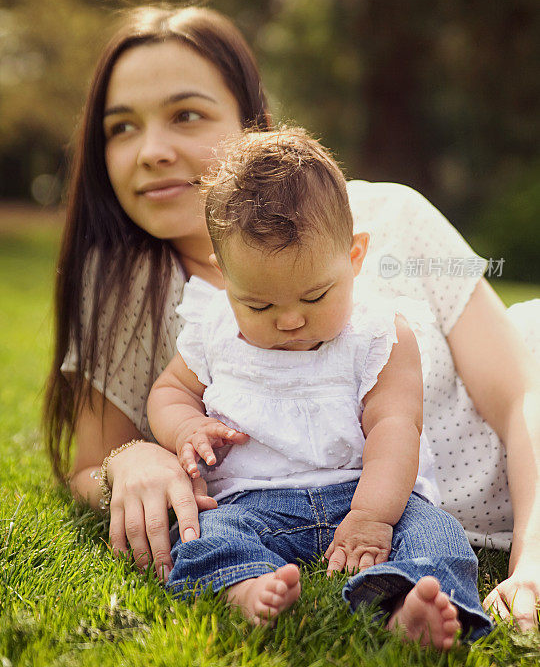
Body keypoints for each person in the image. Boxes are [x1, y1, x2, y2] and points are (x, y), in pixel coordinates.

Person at [43, 3, 540, 630]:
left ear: (254, 127)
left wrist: (532, 559)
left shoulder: (389, 217)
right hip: (317, 524)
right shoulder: (130, 294)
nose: (153, 150)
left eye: (186, 114)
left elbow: (523, 391)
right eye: (121, 128)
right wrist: (134, 458)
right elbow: (90, 464)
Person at [146, 128, 493, 646]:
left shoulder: (380, 335)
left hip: (366, 490)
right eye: (259, 305)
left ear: (354, 258)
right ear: (226, 278)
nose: (289, 321)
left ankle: (410, 606)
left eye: (315, 296)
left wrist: (373, 518)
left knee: (435, 534)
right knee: (207, 533)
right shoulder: (212, 328)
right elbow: (168, 392)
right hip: (253, 502)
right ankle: (243, 585)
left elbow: (396, 428)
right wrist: (186, 426)